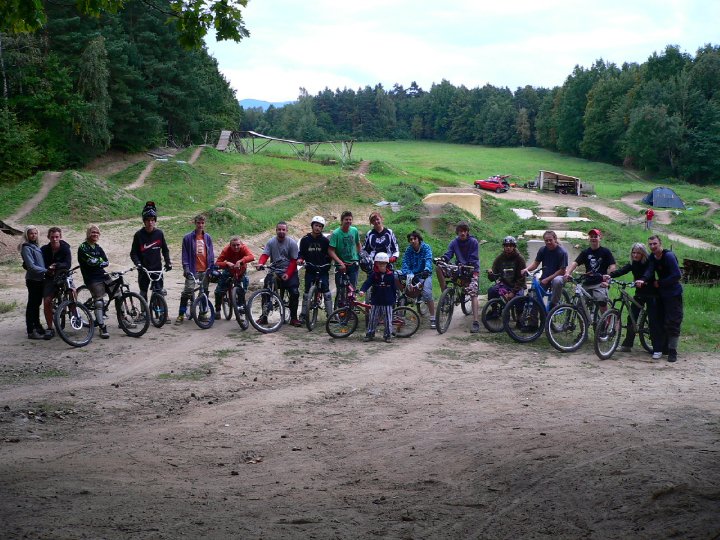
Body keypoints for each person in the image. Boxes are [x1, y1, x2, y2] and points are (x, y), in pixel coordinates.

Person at [605, 243, 661, 355]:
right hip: (639, 293)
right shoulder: (633, 263)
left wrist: (643, 280)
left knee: (653, 320)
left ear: (643, 254)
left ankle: (657, 349)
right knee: (631, 317)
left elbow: (649, 272)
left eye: (638, 253)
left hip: (651, 294)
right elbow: (623, 270)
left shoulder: (649, 262)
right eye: (633, 253)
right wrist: (610, 275)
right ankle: (627, 345)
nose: (635, 255)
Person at [637, 235, 683, 362]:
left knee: (673, 321)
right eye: (650, 244)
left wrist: (661, 282)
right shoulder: (652, 257)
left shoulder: (668, 256)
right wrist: (643, 279)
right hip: (661, 293)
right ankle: (664, 347)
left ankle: (673, 351)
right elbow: (650, 270)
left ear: (660, 243)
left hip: (673, 293)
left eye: (655, 244)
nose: (652, 246)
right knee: (661, 320)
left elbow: (677, 275)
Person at [437, 221, 481, 333]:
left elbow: (474, 257)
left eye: (464, 231)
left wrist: (468, 265)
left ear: (467, 232)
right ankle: (445, 295)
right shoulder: (454, 242)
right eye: (460, 231)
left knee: (473, 293)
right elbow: (449, 253)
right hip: (459, 268)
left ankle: (476, 321)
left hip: (472, 270)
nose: (462, 233)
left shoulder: (473, 242)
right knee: (439, 268)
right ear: (457, 232)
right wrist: (443, 259)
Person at [257, 221, 301, 326]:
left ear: (287, 231)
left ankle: (294, 318)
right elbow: (265, 255)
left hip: (289, 271)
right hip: (275, 271)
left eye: (283, 229)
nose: (281, 231)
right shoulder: (271, 242)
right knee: (266, 291)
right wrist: (260, 263)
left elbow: (294, 261)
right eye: (279, 229)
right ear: (276, 230)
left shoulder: (292, 243)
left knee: (294, 293)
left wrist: (288, 273)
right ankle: (264, 316)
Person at [564, 228, 616, 314]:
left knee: (601, 299)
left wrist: (607, 280)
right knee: (580, 307)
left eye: (595, 236)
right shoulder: (585, 252)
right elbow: (575, 263)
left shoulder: (605, 252)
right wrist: (567, 273)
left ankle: (607, 319)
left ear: (600, 238)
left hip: (600, 283)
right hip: (587, 283)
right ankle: (584, 321)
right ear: (589, 238)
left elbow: (612, 266)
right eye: (591, 236)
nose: (593, 238)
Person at [130, 202, 172, 301]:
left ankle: (160, 308)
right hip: (144, 269)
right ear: (144, 221)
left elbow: (165, 250)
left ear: (155, 221)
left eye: (152, 220)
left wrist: (168, 262)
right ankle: (144, 309)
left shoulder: (159, 234)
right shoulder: (138, 235)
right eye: (148, 220)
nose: (150, 222)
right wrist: (138, 263)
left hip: (157, 269)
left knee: (158, 291)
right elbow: (133, 253)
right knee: (143, 292)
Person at [177, 215, 214, 324]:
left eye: (202, 223)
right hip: (192, 270)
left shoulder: (207, 237)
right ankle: (181, 314)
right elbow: (184, 255)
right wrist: (186, 268)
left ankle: (202, 314)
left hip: (205, 270)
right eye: (198, 223)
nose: (200, 225)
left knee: (204, 292)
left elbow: (211, 254)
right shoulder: (187, 238)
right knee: (187, 291)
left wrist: (211, 268)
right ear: (195, 223)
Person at [298, 216, 333, 323]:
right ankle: (303, 315)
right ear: (312, 226)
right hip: (310, 269)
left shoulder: (325, 241)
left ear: (322, 228)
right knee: (307, 293)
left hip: (322, 270)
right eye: (316, 225)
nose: (317, 228)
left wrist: (328, 264)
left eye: (320, 226)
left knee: (326, 292)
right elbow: (301, 253)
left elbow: (329, 255)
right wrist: (300, 259)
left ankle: (330, 315)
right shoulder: (305, 240)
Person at [78, 225, 110, 339]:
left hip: (102, 275)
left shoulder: (98, 247)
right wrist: (99, 261)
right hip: (91, 278)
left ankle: (123, 320)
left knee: (118, 294)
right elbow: (90, 260)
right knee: (99, 302)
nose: (95, 234)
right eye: (93, 232)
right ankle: (102, 327)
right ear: (88, 234)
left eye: (97, 232)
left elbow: (106, 261)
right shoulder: (83, 247)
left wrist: (98, 261)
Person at [522, 230, 568, 308]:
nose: (548, 242)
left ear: (555, 239)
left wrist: (548, 279)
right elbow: (535, 264)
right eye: (546, 240)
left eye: (550, 240)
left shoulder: (562, 252)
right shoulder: (542, 250)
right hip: (545, 277)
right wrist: (526, 269)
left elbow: (562, 271)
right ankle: (535, 314)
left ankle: (554, 304)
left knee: (556, 281)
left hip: (558, 277)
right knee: (535, 300)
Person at [41, 227, 72, 340]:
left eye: (57, 237)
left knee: (72, 291)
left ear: (60, 237)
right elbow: (41, 263)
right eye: (52, 237)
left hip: (63, 275)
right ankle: (50, 328)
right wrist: (48, 268)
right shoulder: (44, 249)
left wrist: (56, 265)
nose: (54, 239)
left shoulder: (65, 248)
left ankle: (75, 315)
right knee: (47, 301)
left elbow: (68, 264)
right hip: (50, 278)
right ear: (48, 237)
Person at [400, 230, 436, 329]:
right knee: (402, 288)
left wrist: (426, 269)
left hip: (424, 274)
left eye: (414, 239)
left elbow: (428, 260)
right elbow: (405, 263)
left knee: (427, 293)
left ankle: (433, 318)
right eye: (410, 239)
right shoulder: (408, 250)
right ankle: (400, 315)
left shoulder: (426, 248)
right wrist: (409, 273)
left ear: (419, 239)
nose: (412, 241)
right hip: (412, 275)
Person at [358, 252, 397, 343]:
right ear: (376, 264)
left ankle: (388, 335)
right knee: (372, 318)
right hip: (376, 300)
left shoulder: (391, 275)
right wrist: (362, 290)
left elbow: (394, 289)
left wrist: (393, 300)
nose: (381, 266)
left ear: (386, 264)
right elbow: (367, 283)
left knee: (388, 320)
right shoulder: (374, 275)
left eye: (383, 264)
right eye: (379, 264)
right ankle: (370, 334)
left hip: (387, 301)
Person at [214, 236, 254, 314]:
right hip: (229, 271)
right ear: (230, 245)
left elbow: (251, 257)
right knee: (219, 290)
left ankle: (241, 307)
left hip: (241, 272)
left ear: (241, 244)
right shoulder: (226, 250)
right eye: (234, 245)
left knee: (243, 289)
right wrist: (226, 263)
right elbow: (217, 263)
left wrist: (241, 261)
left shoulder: (244, 248)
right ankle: (217, 310)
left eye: (238, 245)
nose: (236, 247)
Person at [20, 225, 47, 340]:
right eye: (31, 233)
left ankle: (37, 326)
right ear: (27, 234)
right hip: (33, 280)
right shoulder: (26, 247)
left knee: (37, 304)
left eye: (35, 233)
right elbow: (31, 266)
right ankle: (31, 331)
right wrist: (46, 270)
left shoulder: (35, 246)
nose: (33, 235)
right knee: (32, 305)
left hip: (40, 279)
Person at [487, 236, 526, 303]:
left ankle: (519, 310)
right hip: (504, 284)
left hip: (517, 285)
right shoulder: (499, 258)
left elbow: (522, 279)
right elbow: (494, 277)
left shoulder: (520, 259)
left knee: (519, 300)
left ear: (514, 247)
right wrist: (490, 273)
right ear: (504, 247)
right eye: (506, 246)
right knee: (491, 291)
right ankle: (494, 308)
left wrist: (513, 292)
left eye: (510, 245)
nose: (508, 247)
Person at [328, 210, 362, 290]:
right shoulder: (336, 233)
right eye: (346, 219)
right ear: (342, 220)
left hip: (353, 264)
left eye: (350, 219)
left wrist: (359, 256)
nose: (348, 221)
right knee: (340, 290)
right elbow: (330, 250)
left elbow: (358, 244)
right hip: (341, 265)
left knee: (352, 289)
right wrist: (340, 262)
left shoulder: (354, 230)